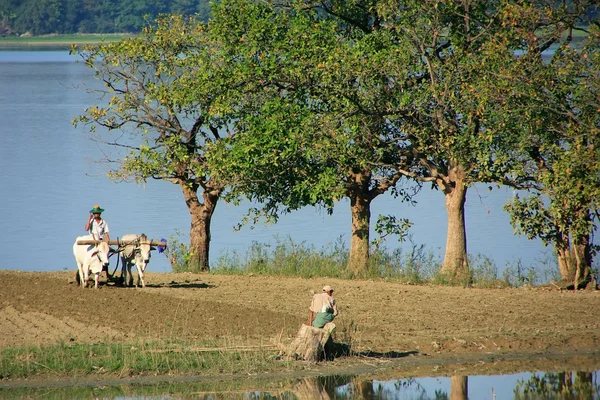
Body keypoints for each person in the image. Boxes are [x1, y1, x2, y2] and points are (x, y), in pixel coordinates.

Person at [83, 204, 111, 282]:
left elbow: (106, 233)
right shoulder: (92, 221)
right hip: (93, 240)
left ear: (100, 214)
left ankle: (107, 274)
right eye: (95, 213)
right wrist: (89, 219)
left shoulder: (104, 222)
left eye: (97, 213)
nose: (96, 215)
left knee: (105, 256)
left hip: (101, 242)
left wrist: (108, 242)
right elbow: (86, 228)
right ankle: (88, 270)